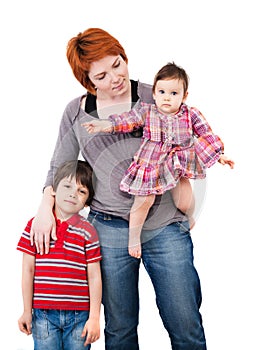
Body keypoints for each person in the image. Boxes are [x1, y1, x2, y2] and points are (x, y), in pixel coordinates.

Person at [30, 27, 208, 349]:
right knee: (120, 328)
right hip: (108, 229)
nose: (115, 77)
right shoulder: (77, 111)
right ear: (89, 81)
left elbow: (191, 134)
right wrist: (45, 208)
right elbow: (60, 166)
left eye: (117, 64)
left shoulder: (157, 96)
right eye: (101, 75)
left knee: (185, 322)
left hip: (164, 224)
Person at [82, 62, 234, 258]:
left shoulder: (190, 114)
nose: (167, 98)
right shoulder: (148, 111)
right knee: (144, 200)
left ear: (184, 96)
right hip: (151, 163)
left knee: (185, 199)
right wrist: (105, 124)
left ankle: (189, 216)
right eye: (162, 92)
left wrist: (220, 155)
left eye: (173, 93)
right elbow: (127, 120)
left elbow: (206, 133)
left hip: (177, 162)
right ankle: (134, 237)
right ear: (154, 93)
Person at [17, 160, 102, 350]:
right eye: (67, 186)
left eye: (82, 191)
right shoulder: (35, 226)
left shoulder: (88, 231)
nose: (73, 193)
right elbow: (28, 270)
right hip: (43, 315)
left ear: (87, 201)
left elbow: (95, 276)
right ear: (53, 189)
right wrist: (26, 310)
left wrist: (95, 317)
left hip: (79, 317)